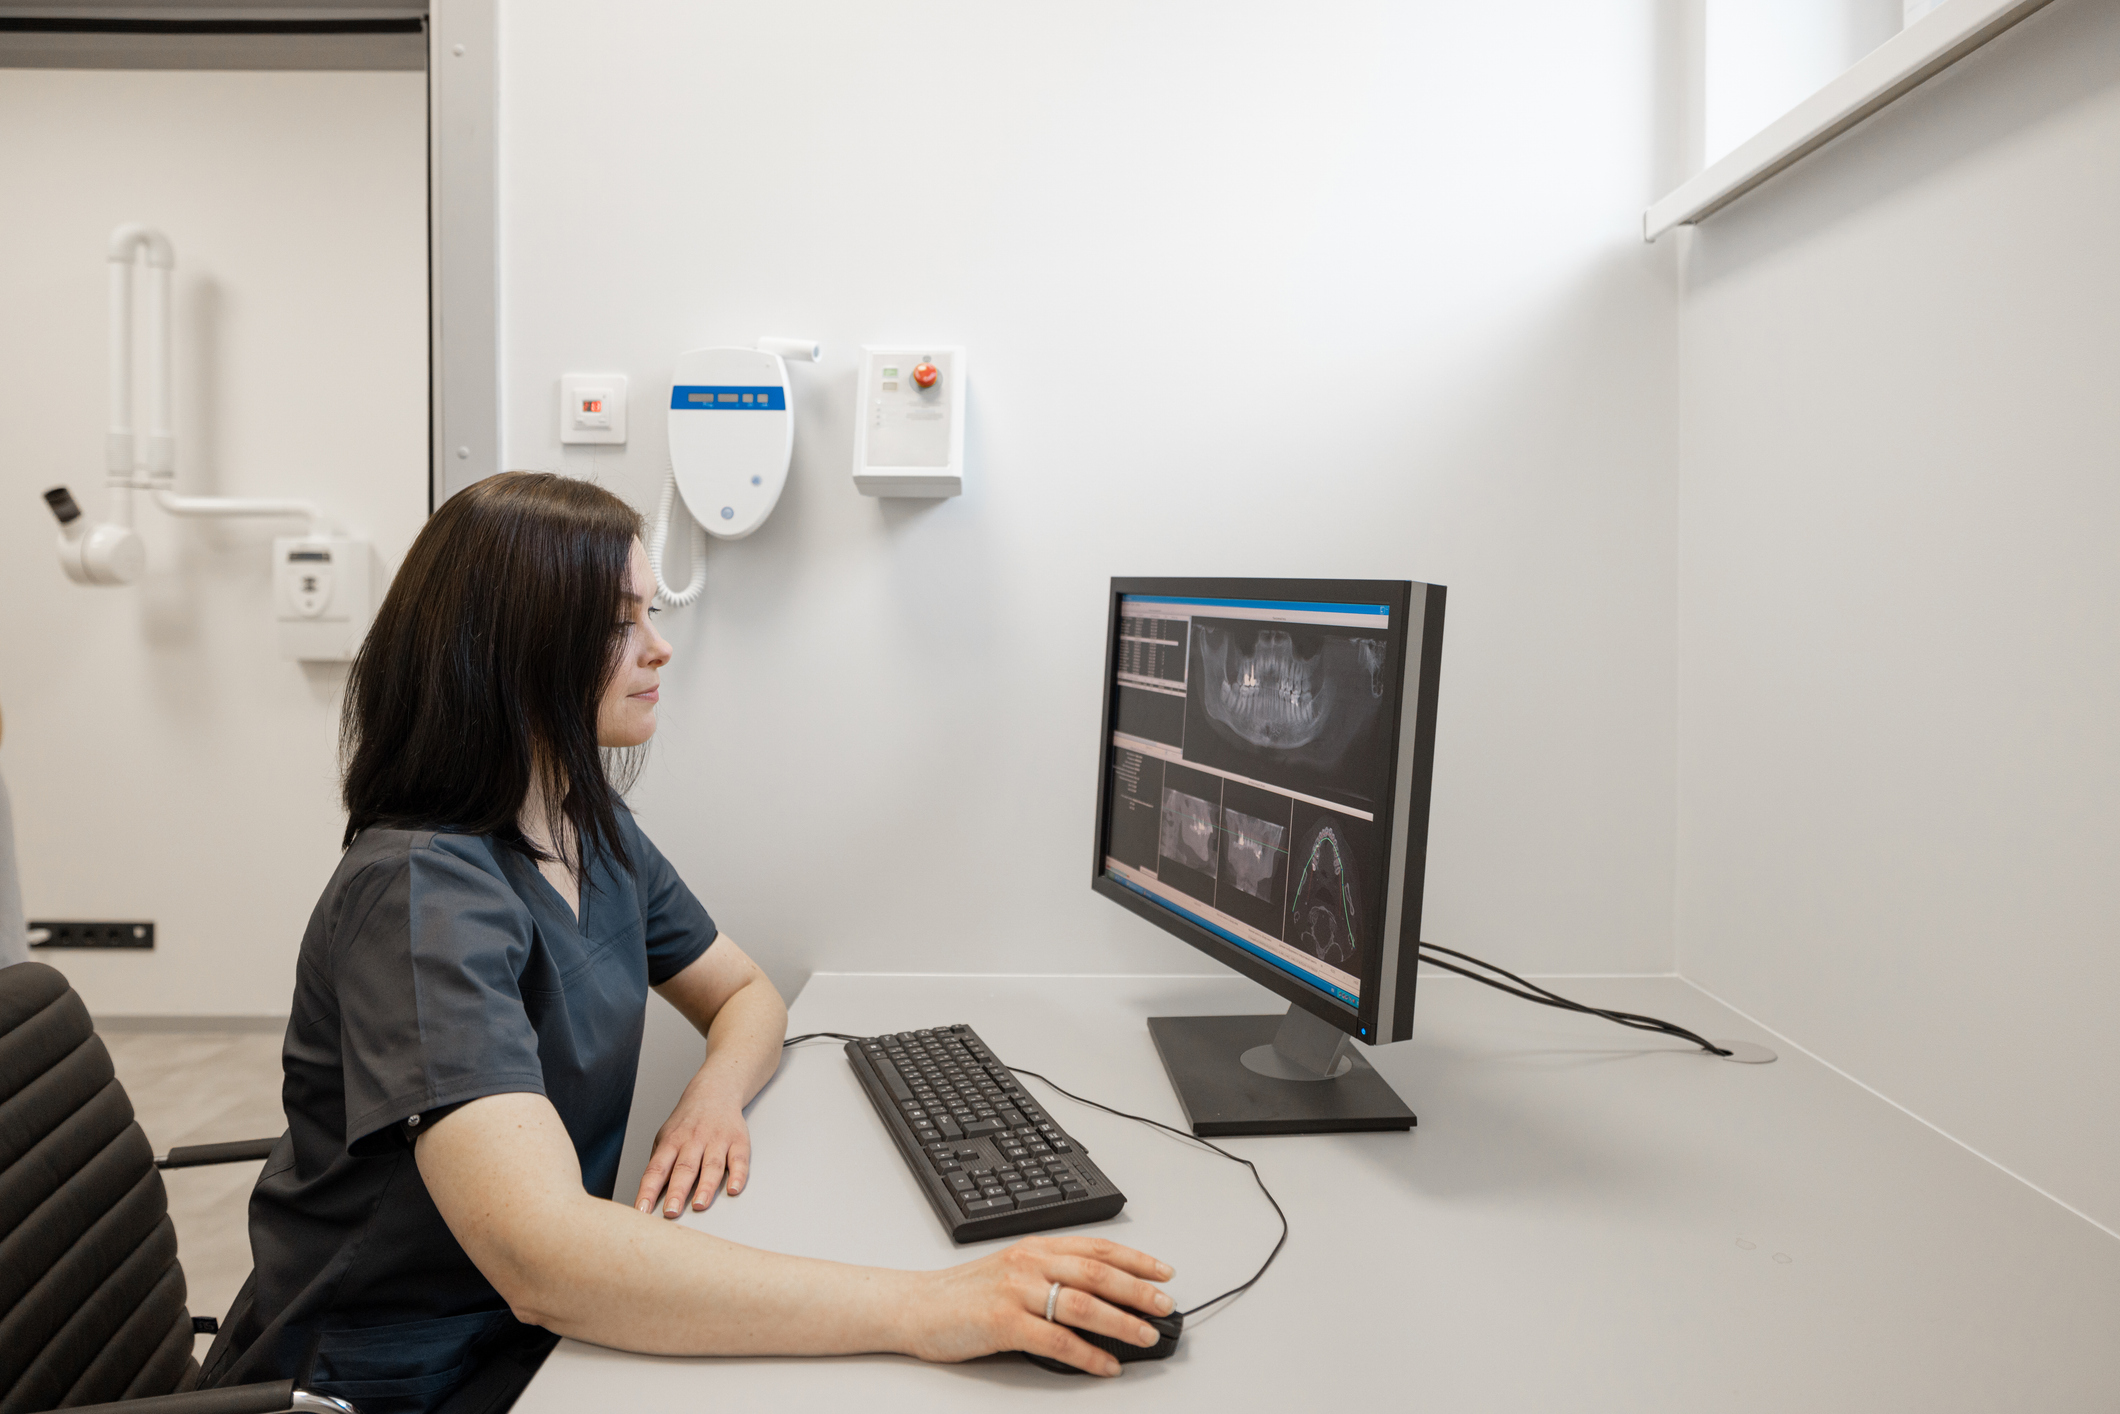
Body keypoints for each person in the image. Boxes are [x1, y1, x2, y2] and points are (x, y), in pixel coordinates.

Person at [202, 473, 1172, 1414]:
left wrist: (713, 1093)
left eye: (649, 612)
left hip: (531, 1327)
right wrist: (928, 1304)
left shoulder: (586, 825)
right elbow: (544, 1261)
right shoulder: (421, 894)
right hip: (389, 1374)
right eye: (620, 622)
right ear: (514, 650)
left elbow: (746, 993)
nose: (658, 648)